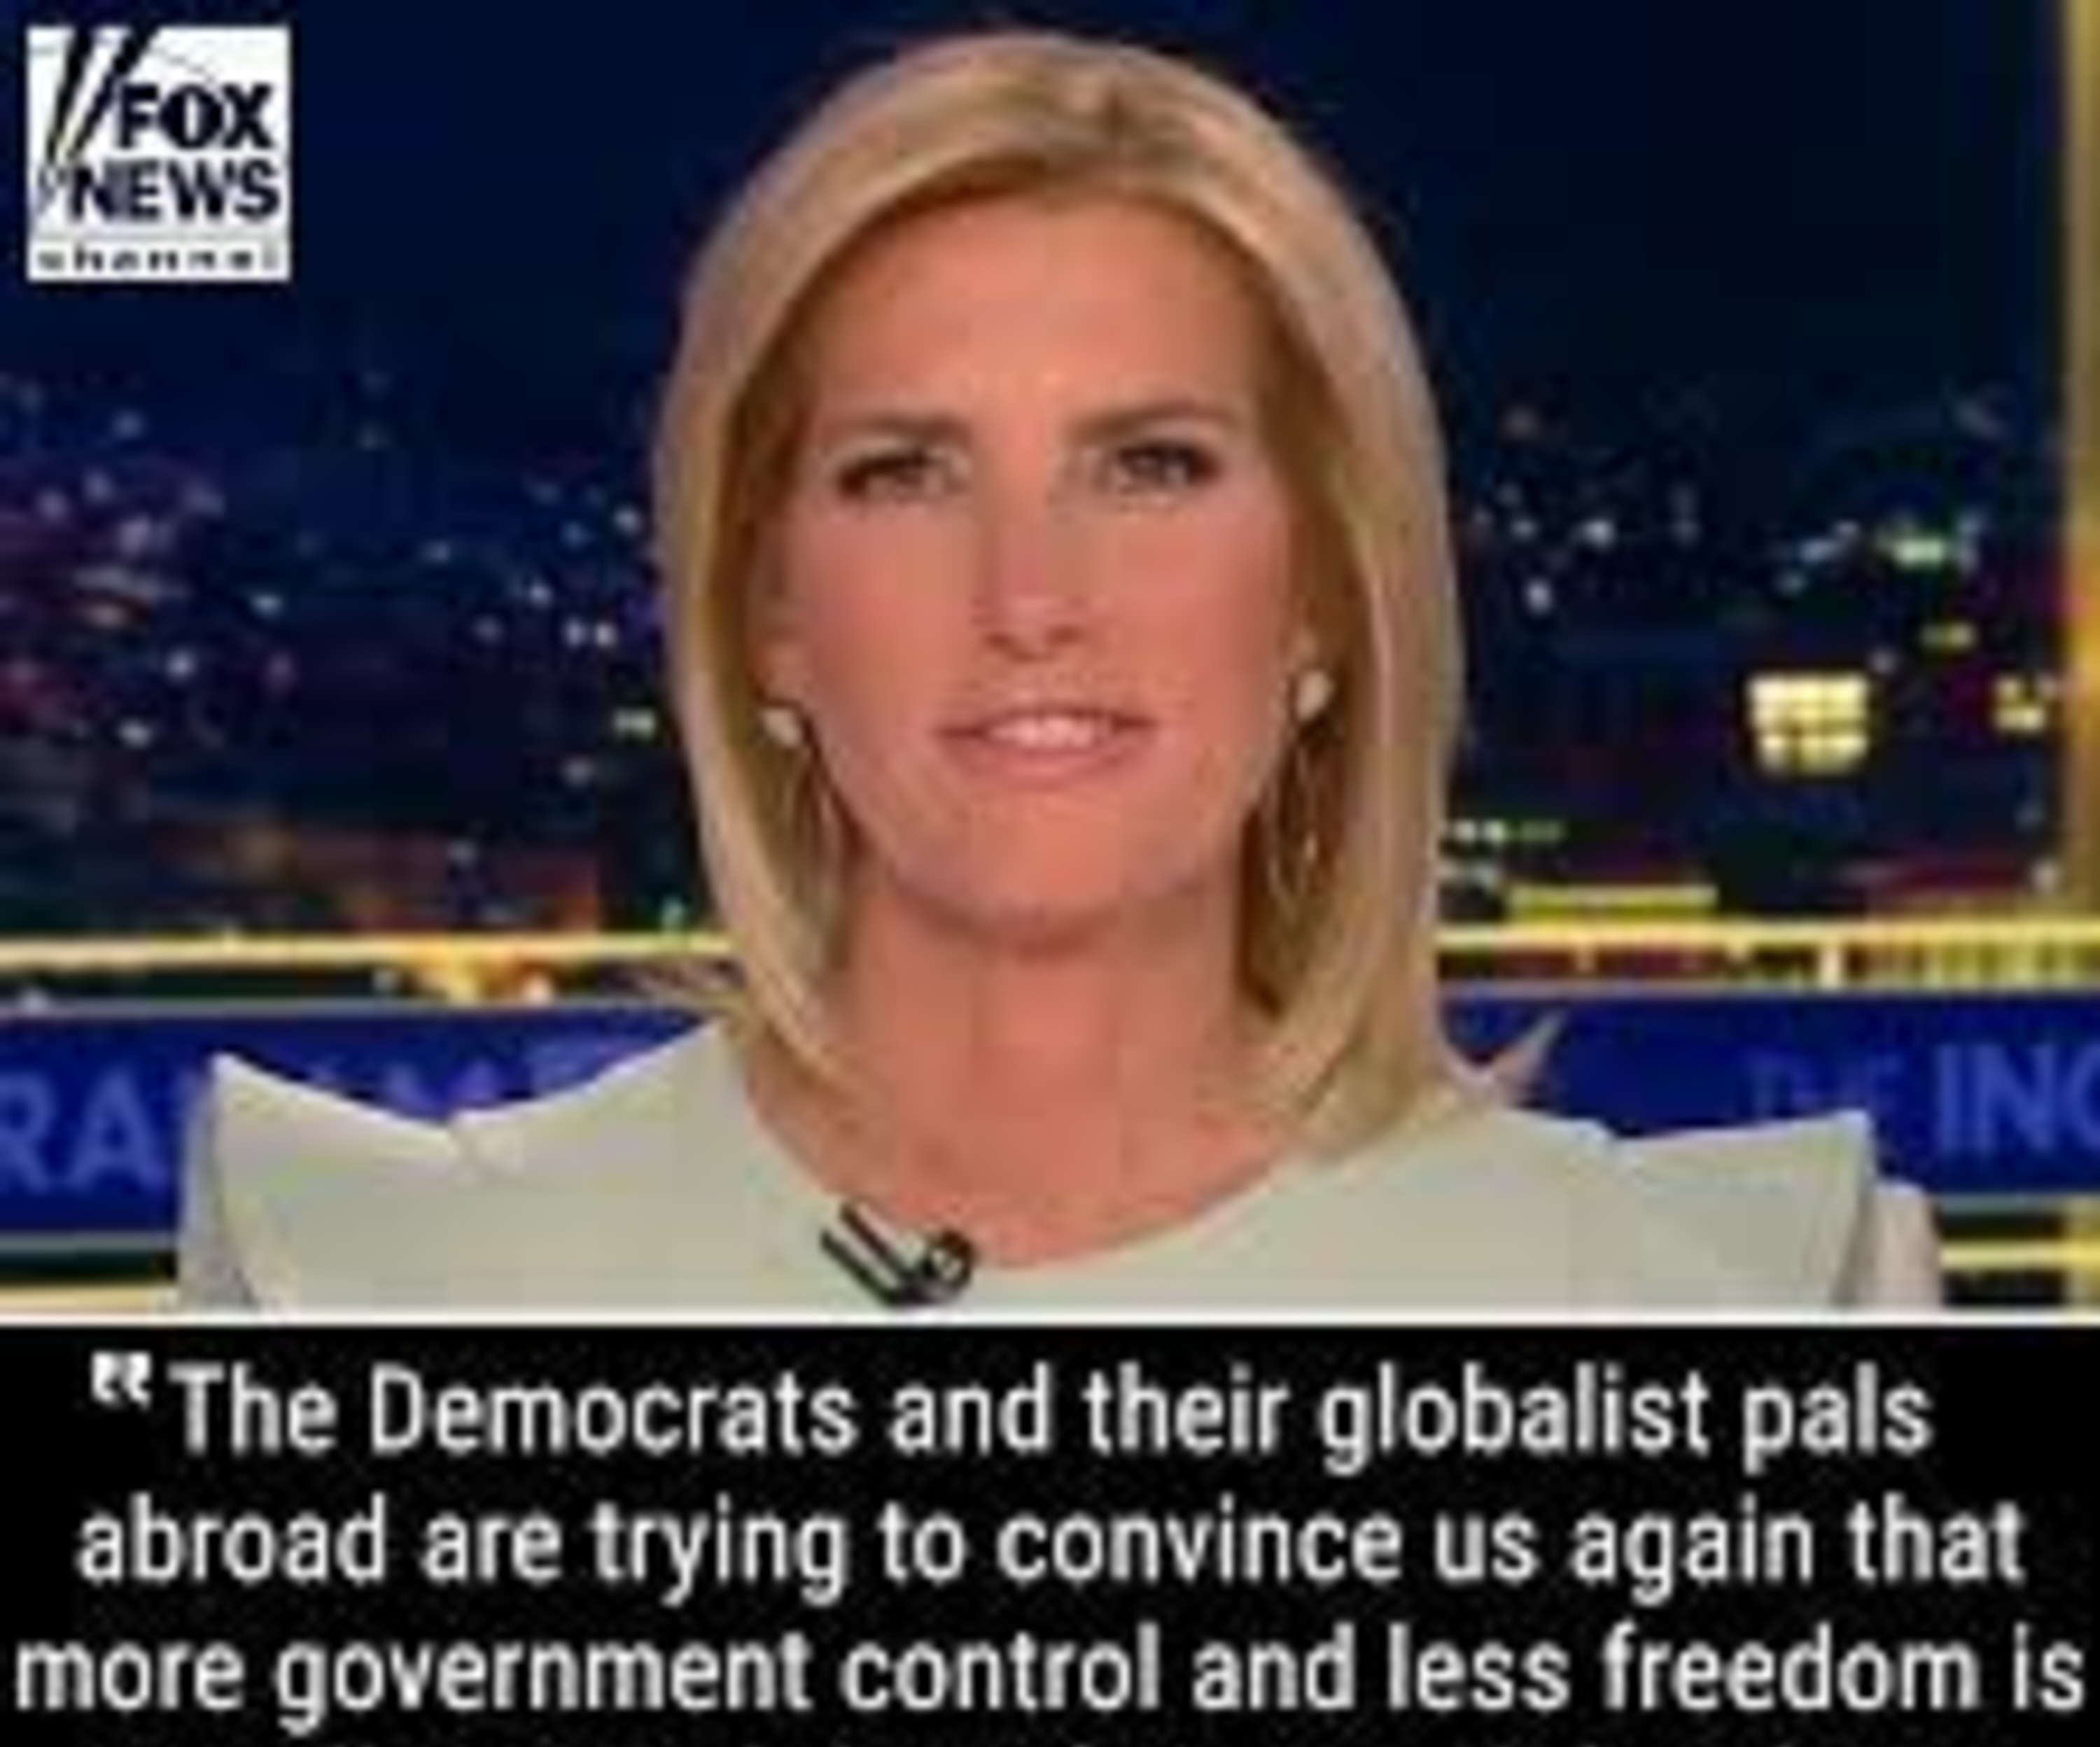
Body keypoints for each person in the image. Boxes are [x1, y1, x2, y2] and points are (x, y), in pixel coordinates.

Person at [179, 29, 1938, 1309]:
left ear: (1327, 594)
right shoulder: (376, 1280)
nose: (1032, 598)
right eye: (905, 473)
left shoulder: (1739, 1300)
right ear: (765, 608)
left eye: (1151, 466)